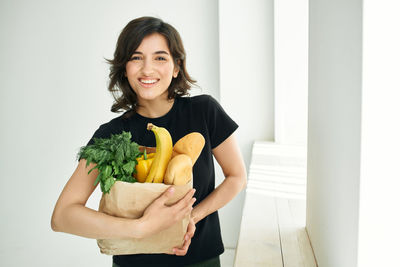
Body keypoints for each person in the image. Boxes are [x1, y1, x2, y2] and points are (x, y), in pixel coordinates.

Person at [51, 16, 247, 267]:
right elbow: (62, 216)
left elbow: (236, 177)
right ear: (124, 68)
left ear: (177, 67)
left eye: (160, 58)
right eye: (136, 57)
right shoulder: (110, 136)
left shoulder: (204, 111)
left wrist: (189, 219)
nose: (147, 69)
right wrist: (141, 228)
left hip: (200, 259)